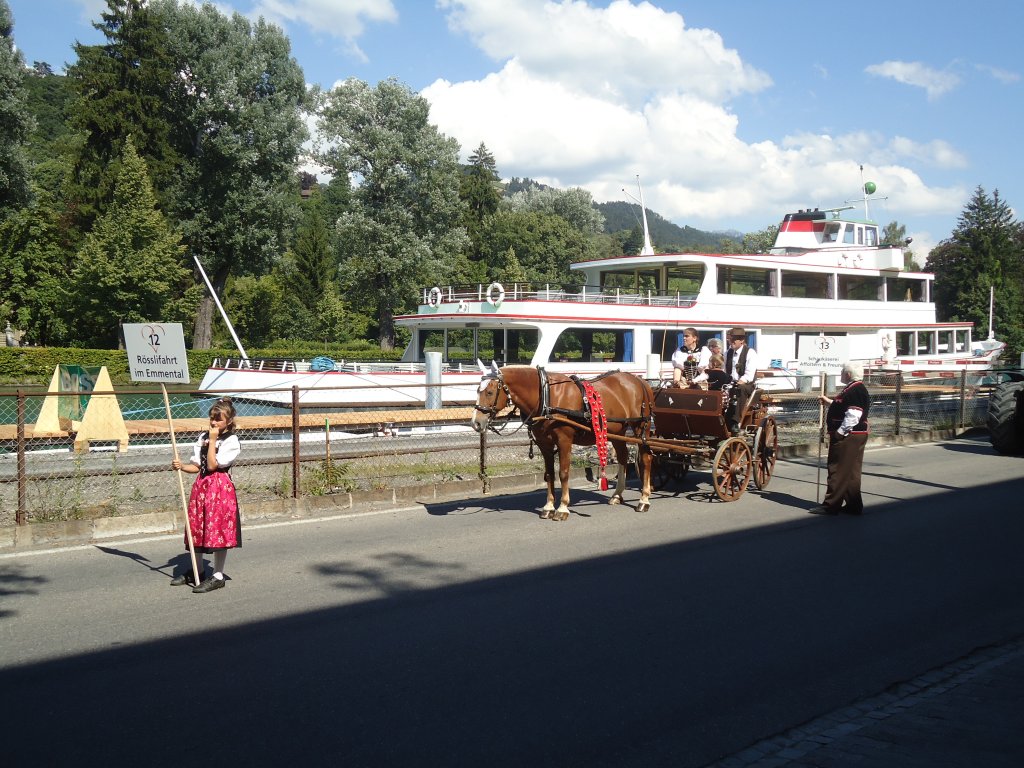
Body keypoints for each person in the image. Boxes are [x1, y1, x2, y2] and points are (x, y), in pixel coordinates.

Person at [170, 397, 242, 593]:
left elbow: (212, 465)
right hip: (202, 487)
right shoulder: (203, 437)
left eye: (218, 419)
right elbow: (198, 466)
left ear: (228, 421)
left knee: (218, 529)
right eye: (212, 418)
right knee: (198, 527)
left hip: (220, 489)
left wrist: (212, 441)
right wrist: (183, 466)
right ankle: (197, 570)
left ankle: (218, 575)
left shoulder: (231, 440)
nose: (213, 422)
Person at [810, 362, 870, 515]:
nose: (841, 374)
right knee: (851, 472)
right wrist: (830, 402)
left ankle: (831, 505)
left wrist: (840, 432)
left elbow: (853, 415)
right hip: (856, 434)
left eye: (843, 372)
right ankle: (853, 505)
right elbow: (845, 407)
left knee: (837, 469)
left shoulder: (855, 390)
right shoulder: (855, 389)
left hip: (849, 435)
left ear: (848, 374)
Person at [724, 327, 759, 434]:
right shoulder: (727, 353)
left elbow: (749, 374)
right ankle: (721, 420)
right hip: (731, 383)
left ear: (742, 340)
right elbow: (724, 371)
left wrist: (739, 381)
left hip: (747, 385)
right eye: (730, 339)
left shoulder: (750, 353)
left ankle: (735, 421)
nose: (731, 342)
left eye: (734, 339)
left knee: (740, 388)